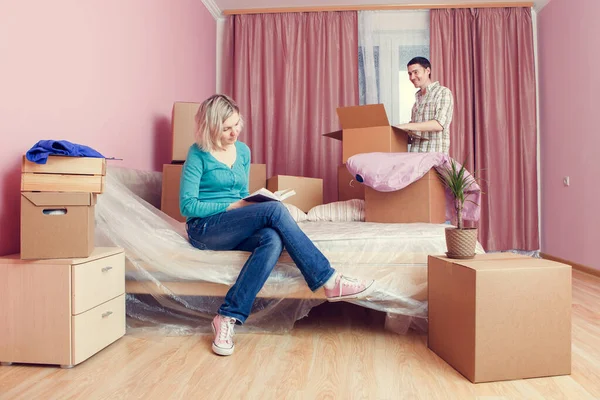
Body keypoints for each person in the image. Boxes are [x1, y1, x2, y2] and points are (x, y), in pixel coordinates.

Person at [179, 94, 375, 356]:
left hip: (233, 224)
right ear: (211, 127)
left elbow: (239, 191)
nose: (234, 132)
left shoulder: (243, 151)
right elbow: (187, 206)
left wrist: (248, 201)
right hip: (205, 229)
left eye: (237, 124)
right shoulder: (197, 154)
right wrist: (234, 207)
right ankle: (328, 279)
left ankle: (226, 317)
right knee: (273, 210)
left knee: (271, 238)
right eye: (226, 128)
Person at [396, 57, 454, 154]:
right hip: (416, 160)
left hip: (434, 160)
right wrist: (395, 133)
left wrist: (407, 126)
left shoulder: (443, 92)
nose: (412, 77)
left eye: (415, 72)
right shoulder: (416, 102)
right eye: (410, 74)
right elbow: (415, 132)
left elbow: (439, 124)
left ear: (427, 71)